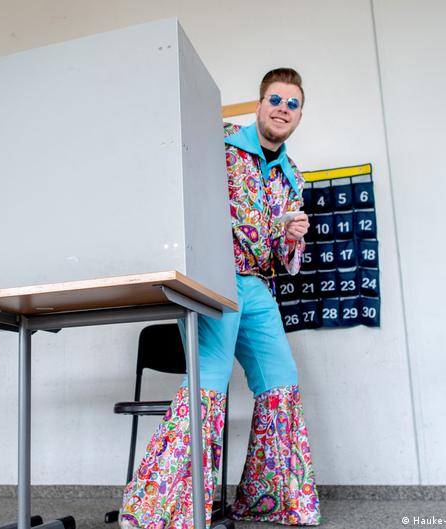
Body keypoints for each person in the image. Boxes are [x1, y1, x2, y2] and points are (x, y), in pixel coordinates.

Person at [120, 68, 321, 529]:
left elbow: (283, 257)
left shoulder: (293, 177)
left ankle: (271, 501)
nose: (282, 109)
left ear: (299, 115)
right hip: (215, 274)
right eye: (276, 99)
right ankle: (164, 507)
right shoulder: (220, 139)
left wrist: (291, 237)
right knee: (209, 381)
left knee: (281, 380)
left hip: (257, 283)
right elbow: (174, 173)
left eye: (292, 104)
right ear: (260, 103)